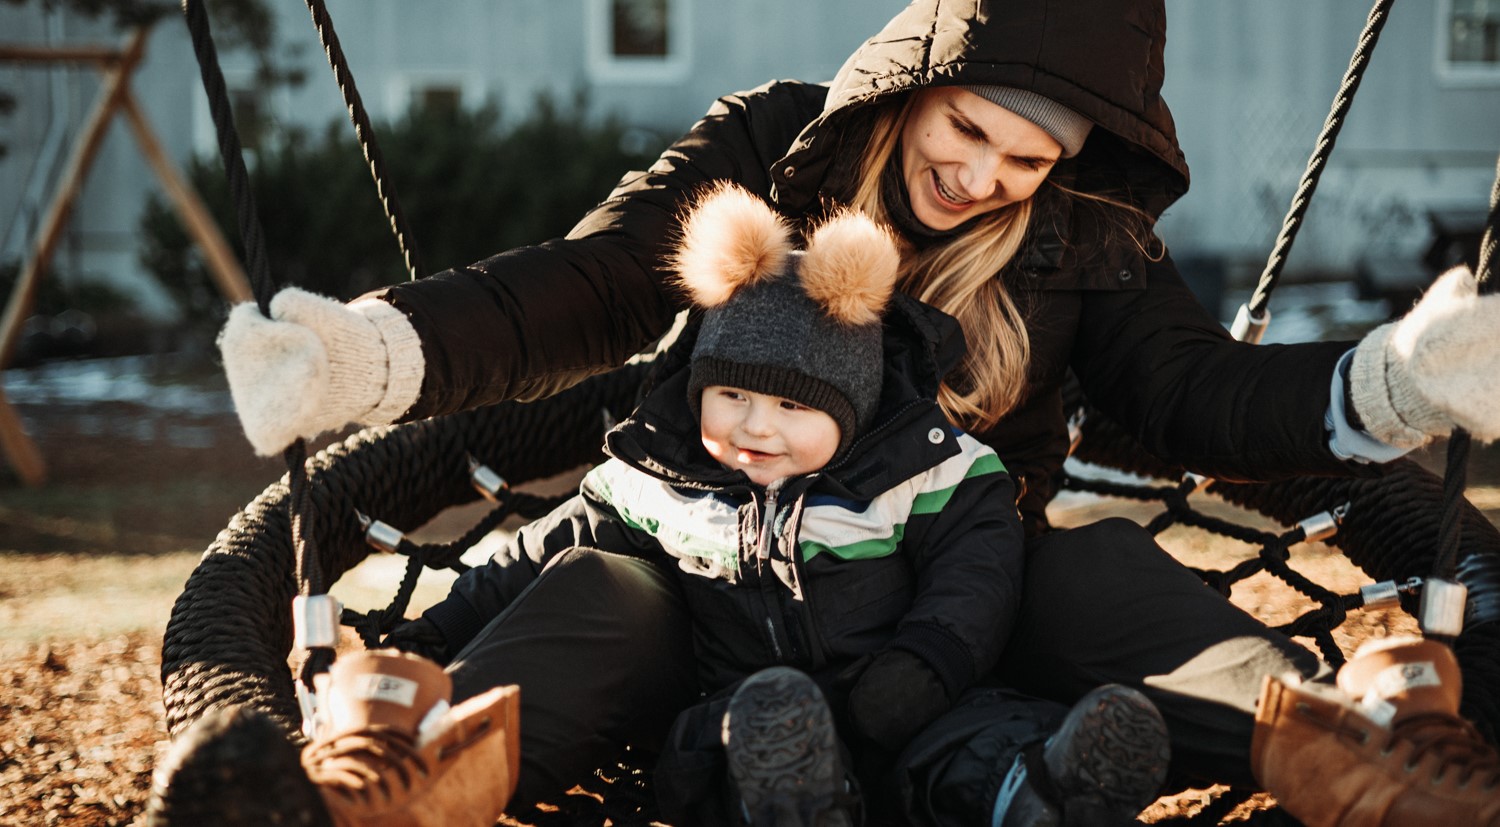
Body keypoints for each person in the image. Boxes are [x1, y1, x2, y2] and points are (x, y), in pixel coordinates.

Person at [199, 0, 1500, 824]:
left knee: (1092, 562)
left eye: (1026, 160)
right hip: (709, 627)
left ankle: (1355, 752)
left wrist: (1392, 378)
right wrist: (379, 350)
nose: (980, 175)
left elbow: (1196, 394)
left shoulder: (1081, 243)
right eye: (971, 125)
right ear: (919, 74)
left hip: (953, 621)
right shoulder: (778, 150)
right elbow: (597, 280)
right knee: (603, 583)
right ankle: (410, 782)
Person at [380, 183, 1168, 826]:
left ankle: (1048, 788)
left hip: (905, 699)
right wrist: (431, 634)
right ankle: (798, 806)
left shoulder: (922, 477)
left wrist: (928, 661)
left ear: (851, 409)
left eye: (795, 409)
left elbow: (980, 572)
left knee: (977, 741)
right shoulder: (659, 479)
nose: (756, 426)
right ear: (699, 391)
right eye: (731, 395)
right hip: (748, 714)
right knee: (725, 756)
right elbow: (534, 555)